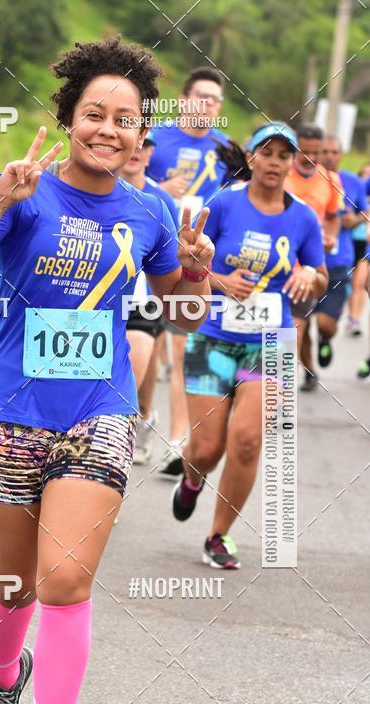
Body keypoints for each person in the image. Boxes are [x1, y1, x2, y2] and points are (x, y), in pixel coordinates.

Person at [0, 36, 214, 704]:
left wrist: (191, 267)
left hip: (100, 414)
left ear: (138, 133)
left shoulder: (150, 211)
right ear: (70, 119)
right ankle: (1, 669)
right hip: (10, 413)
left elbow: (178, 314)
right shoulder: (25, 190)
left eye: (125, 119)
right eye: (95, 114)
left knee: (64, 581)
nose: (109, 129)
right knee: (16, 584)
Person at [172, 123, 327, 569]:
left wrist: (307, 276)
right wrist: (220, 280)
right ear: (253, 158)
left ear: (293, 162)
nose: (276, 162)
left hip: (271, 343)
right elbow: (194, 261)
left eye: (285, 155)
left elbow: (318, 276)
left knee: (247, 442)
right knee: (206, 449)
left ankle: (218, 535)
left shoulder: (302, 217)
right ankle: (192, 480)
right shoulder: (224, 202)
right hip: (211, 336)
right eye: (268, 152)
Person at [147, 67, 232, 478]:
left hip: (193, 257)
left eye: (215, 100)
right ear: (183, 100)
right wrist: (159, 184)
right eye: (201, 97)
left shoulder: (225, 149)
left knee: (181, 349)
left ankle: (178, 440)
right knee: (142, 350)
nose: (209, 105)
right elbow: (125, 173)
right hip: (147, 250)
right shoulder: (157, 137)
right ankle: (144, 418)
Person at [121, 131, 180, 463]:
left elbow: (169, 261)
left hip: (144, 302)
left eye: (144, 147)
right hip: (97, 304)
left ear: (149, 154)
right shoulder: (96, 190)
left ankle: (110, 473)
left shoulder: (160, 201)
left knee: (130, 377)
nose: (135, 152)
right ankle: (145, 416)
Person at [284, 123, 341, 391]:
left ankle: (278, 390)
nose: (309, 158)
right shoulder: (281, 172)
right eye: (303, 152)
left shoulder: (331, 179)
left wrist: (330, 238)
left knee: (296, 327)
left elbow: (332, 217)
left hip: (306, 267)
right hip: (271, 264)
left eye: (314, 153)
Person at [318, 137, 368, 367]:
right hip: (304, 261)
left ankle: (324, 340)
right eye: (324, 151)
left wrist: (355, 220)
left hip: (339, 258)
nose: (329, 156)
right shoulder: (308, 180)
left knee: (325, 324)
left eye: (334, 151)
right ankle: (307, 373)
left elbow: (365, 213)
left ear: (341, 154)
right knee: (299, 324)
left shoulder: (353, 182)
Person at [348, 162, 370, 336]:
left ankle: (354, 319)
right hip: (350, 240)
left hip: (366, 246)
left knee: (360, 283)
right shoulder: (361, 186)